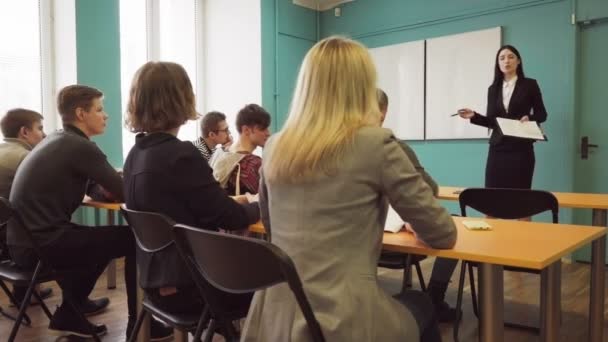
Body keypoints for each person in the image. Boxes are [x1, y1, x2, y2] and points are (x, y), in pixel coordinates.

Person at [241, 36, 457, 342]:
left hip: (273, 318)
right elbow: (444, 234)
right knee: (420, 302)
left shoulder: (275, 146)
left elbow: (272, 227)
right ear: (363, 87)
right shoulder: (376, 144)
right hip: (342, 321)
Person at [6, 85, 152, 339]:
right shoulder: (80, 147)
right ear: (81, 114)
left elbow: (95, 185)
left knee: (96, 240)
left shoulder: (56, 139)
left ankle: (70, 313)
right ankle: (137, 324)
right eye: (99, 109)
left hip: (22, 244)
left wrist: (108, 185)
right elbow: (128, 192)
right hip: (42, 245)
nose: (105, 115)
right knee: (130, 238)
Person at [123, 61, 259, 321]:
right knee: (283, 280)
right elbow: (230, 218)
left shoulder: (136, 154)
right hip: (197, 288)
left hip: (156, 284)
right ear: (179, 98)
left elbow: (183, 206)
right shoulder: (181, 155)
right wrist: (263, 205)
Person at [378, 89, 459, 322]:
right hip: (387, 241)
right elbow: (430, 191)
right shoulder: (390, 147)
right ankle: (435, 296)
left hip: (353, 258)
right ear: (383, 113)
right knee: (449, 224)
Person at [458, 45, 548, 189]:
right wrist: (473, 116)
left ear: (518, 61)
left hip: (521, 149)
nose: (506, 61)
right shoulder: (492, 89)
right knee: (493, 196)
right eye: (502, 58)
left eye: (511, 57)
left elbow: (542, 114)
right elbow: (492, 122)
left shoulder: (530, 84)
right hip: (498, 149)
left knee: (519, 197)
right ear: (498, 63)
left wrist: (529, 118)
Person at [0, 108, 53, 305]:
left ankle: (23, 295)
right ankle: (76, 304)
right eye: (40, 128)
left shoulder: (2, 150)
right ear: (24, 132)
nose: (44, 134)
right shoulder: (24, 158)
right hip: (9, 236)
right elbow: (48, 191)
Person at [209, 104, 271, 195]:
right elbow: (267, 202)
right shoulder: (253, 164)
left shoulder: (219, 153)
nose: (268, 133)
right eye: (263, 129)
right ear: (246, 130)